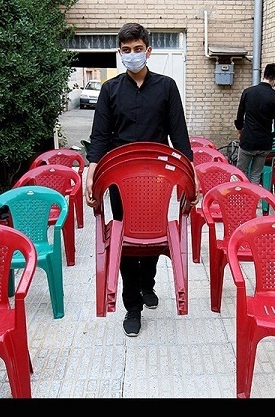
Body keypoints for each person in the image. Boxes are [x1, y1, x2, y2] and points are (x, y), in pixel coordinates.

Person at [84, 23, 198, 337]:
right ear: (119, 53)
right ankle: (132, 305)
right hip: (120, 177)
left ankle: (148, 284)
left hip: (158, 179)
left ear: (148, 51)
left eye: (137, 49)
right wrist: (91, 171)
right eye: (126, 50)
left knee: (152, 234)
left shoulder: (166, 87)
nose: (132, 55)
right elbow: (100, 137)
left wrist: (192, 173)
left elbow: (180, 136)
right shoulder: (110, 90)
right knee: (125, 237)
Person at [234, 63, 275, 185]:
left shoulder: (248, 92)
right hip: (264, 144)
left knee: (241, 173)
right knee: (256, 175)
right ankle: (254, 196)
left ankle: (240, 195)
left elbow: (239, 118)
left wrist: (240, 133)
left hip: (248, 141)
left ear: (264, 75)